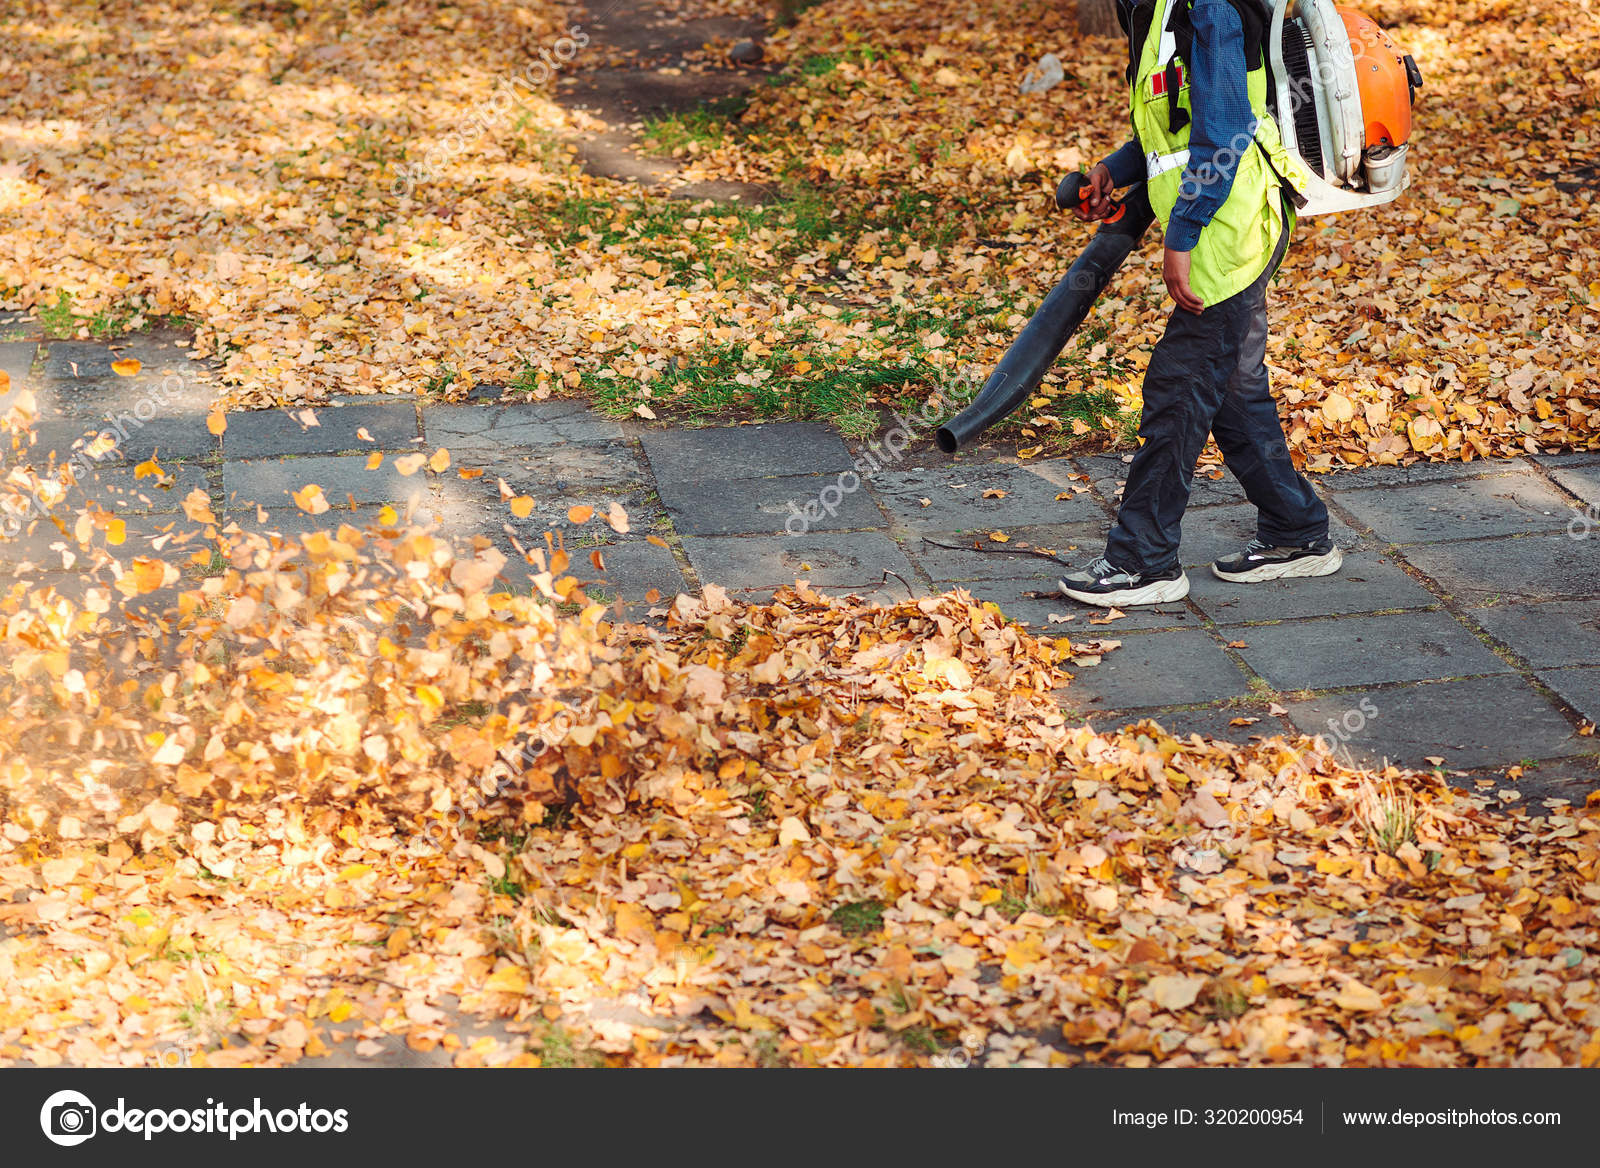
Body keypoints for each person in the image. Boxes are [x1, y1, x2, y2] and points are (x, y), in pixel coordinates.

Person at [1057, 0, 1342, 607]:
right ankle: (1297, 531)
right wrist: (1116, 167)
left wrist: (1181, 234)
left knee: (1178, 387)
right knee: (1234, 390)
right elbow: (1177, 126)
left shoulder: (1207, 5)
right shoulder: (1155, 8)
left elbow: (1227, 125)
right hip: (1218, 219)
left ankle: (1144, 561)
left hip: (1226, 229)